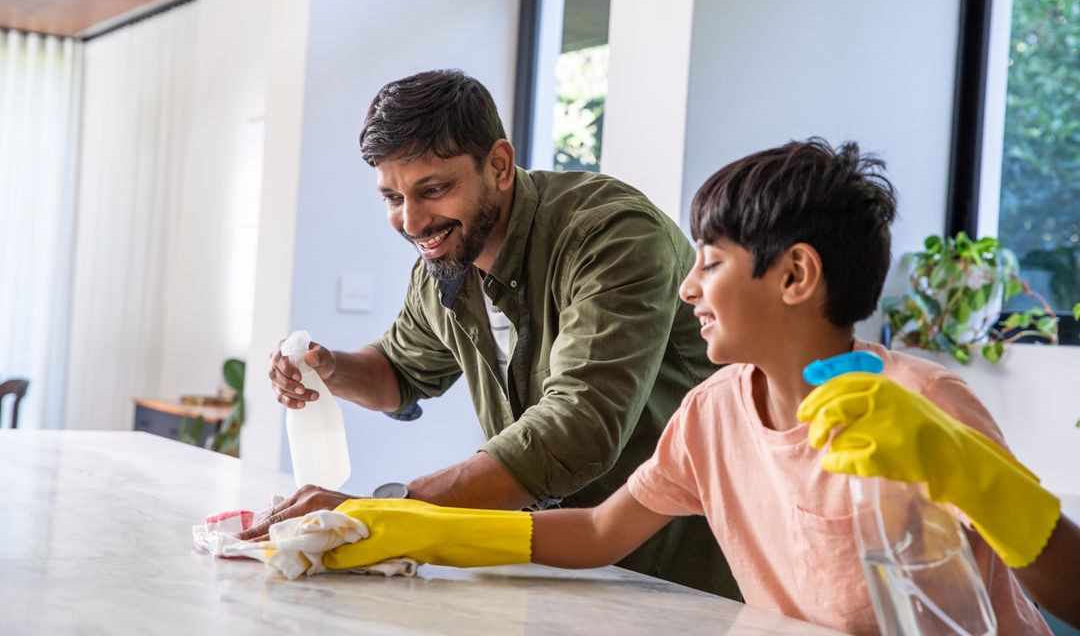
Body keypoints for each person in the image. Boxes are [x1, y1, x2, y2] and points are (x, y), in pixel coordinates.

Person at [315, 139, 1079, 634]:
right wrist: (411, 523)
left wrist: (978, 481)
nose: (687, 290)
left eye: (709, 262)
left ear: (795, 274)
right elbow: (597, 533)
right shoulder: (714, 411)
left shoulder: (925, 405)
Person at [240, 69, 738, 598]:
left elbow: (580, 425)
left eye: (433, 189)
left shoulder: (609, 234)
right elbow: (400, 372)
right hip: (551, 568)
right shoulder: (443, 264)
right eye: (392, 198)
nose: (411, 222)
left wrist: (386, 511)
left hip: (676, 574)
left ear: (499, 165)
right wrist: (329, 369)